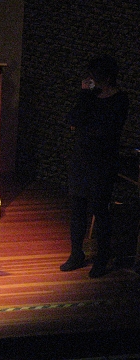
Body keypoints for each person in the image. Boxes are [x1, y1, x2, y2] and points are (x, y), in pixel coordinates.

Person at [60, 55, 129, 278]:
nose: (91, 79)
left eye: (94, 75)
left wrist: (86, 125)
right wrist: (84, 95)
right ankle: (76, 253)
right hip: (81, 157)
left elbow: (107, 129)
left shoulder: (120, 99)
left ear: (106, 77)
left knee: (100, 209)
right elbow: (72, 119)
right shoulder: (89, 97)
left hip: (103, 160)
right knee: (78, 208)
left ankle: (102, 257)